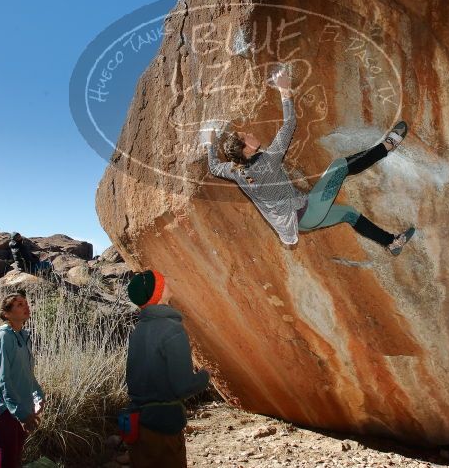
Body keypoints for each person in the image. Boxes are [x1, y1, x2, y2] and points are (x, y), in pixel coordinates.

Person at [204, 69, 415, 254]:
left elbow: (213, 167)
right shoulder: (266, 162)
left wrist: (210, 145)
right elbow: (290, 124)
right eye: (246, 135)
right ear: (246, 148)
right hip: (308, 211)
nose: (250, 133)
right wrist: (284, 89)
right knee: (339, 167)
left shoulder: (235, 170)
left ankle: (391, 243)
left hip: (302, 223)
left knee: (349, 214)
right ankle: (387, 146)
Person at [124, 270, 210, 468]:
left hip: (137, 424)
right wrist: (206, 375)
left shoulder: (138, 331)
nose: (169, 282)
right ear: (158, 292)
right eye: (164, 282)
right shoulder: (171, 329)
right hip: (163, 427)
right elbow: (183, 387)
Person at [0, 290, 45, 468]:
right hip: (5, 411)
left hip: (22, 407)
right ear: (6, 313)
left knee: (15, 459)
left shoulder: (23, 337)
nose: (26, 306)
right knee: (6, 462)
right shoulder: (1, 338)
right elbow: (2, 381)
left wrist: (38, 395)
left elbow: (26, 374)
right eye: (19, 304)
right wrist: (21, 414)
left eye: (26, 303)